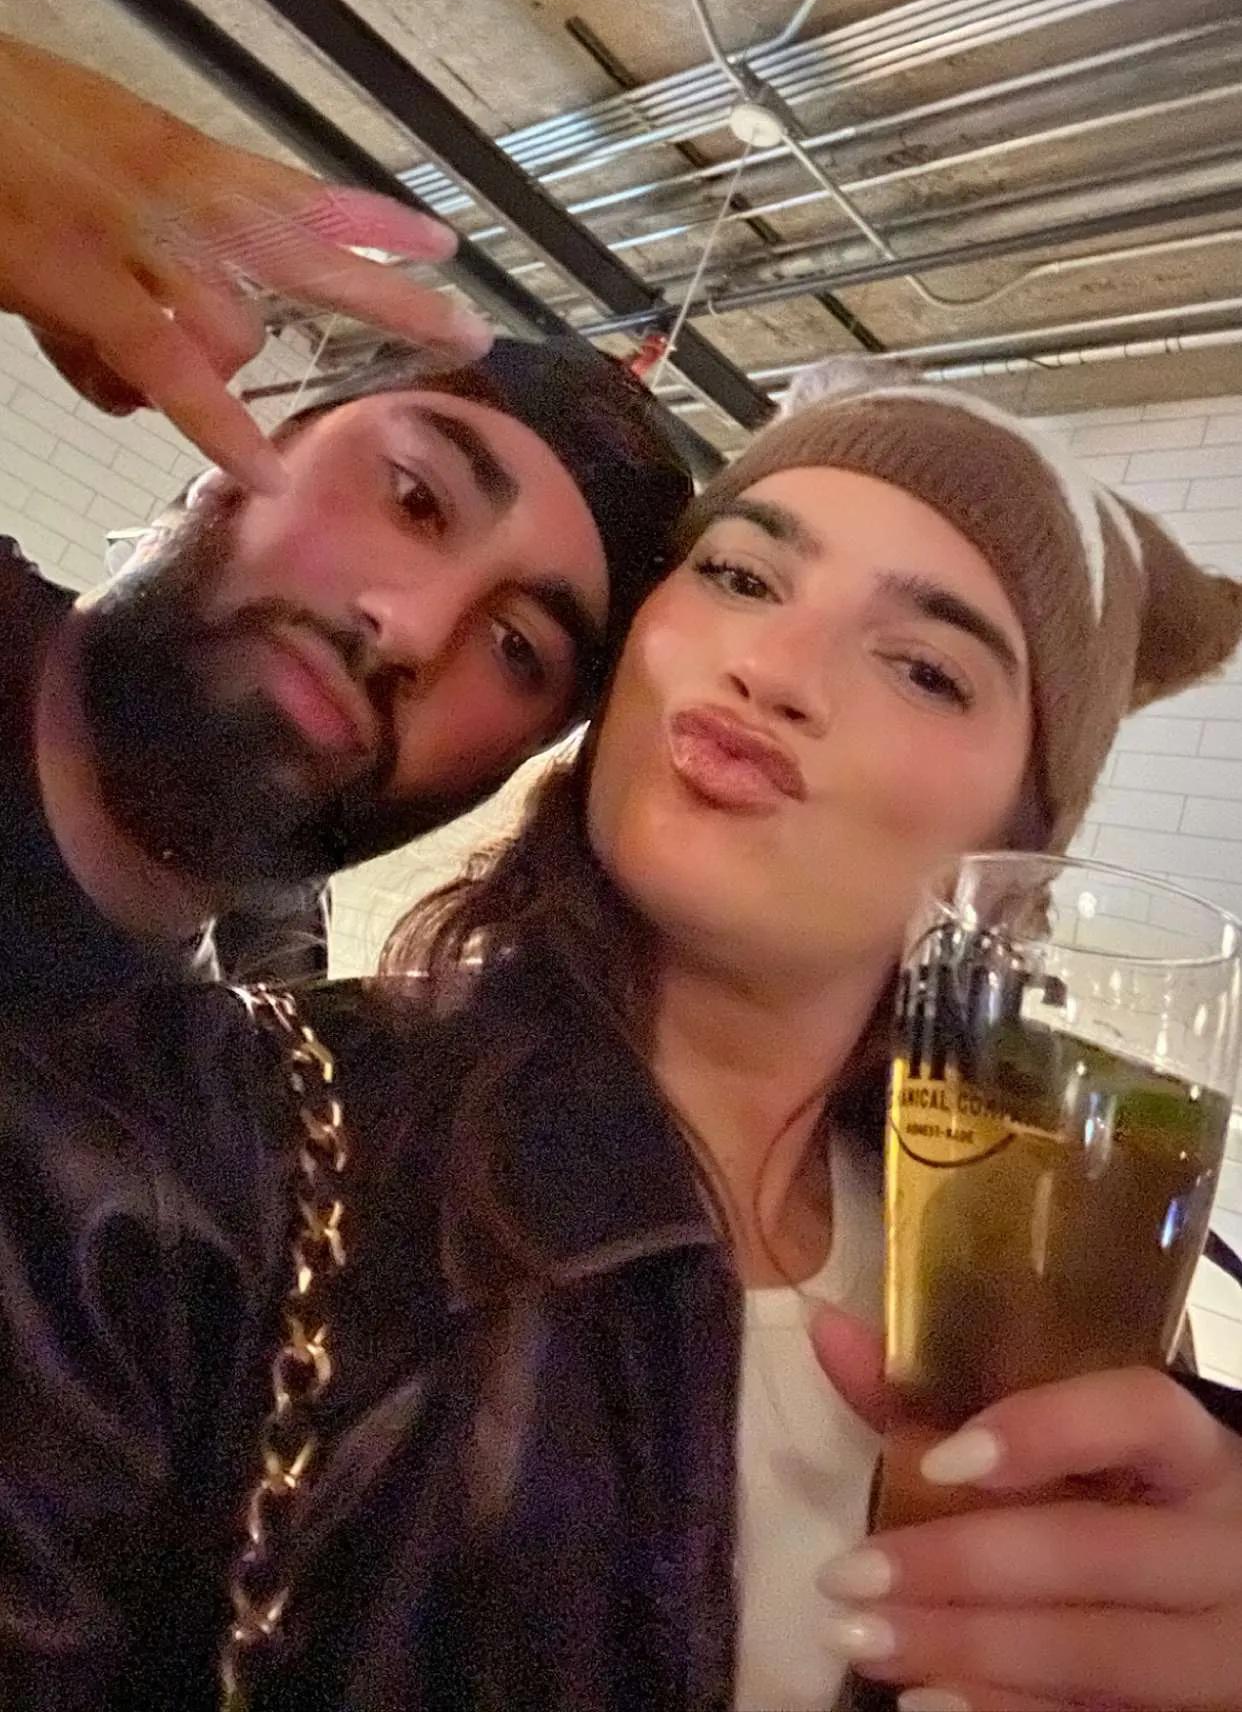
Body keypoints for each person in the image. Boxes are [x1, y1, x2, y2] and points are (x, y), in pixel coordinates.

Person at [2, 375, 1241, 1711]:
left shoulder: (1044, 1313)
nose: (772, 669)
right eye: (742, 577)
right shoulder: (168, 1153)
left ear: (1022, 853)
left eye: (926, 669)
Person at [0, 37, 695, 1011]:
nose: (413, 629)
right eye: (416, 499)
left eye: (517, 648)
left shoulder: (231, 1094)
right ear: (255, 456)